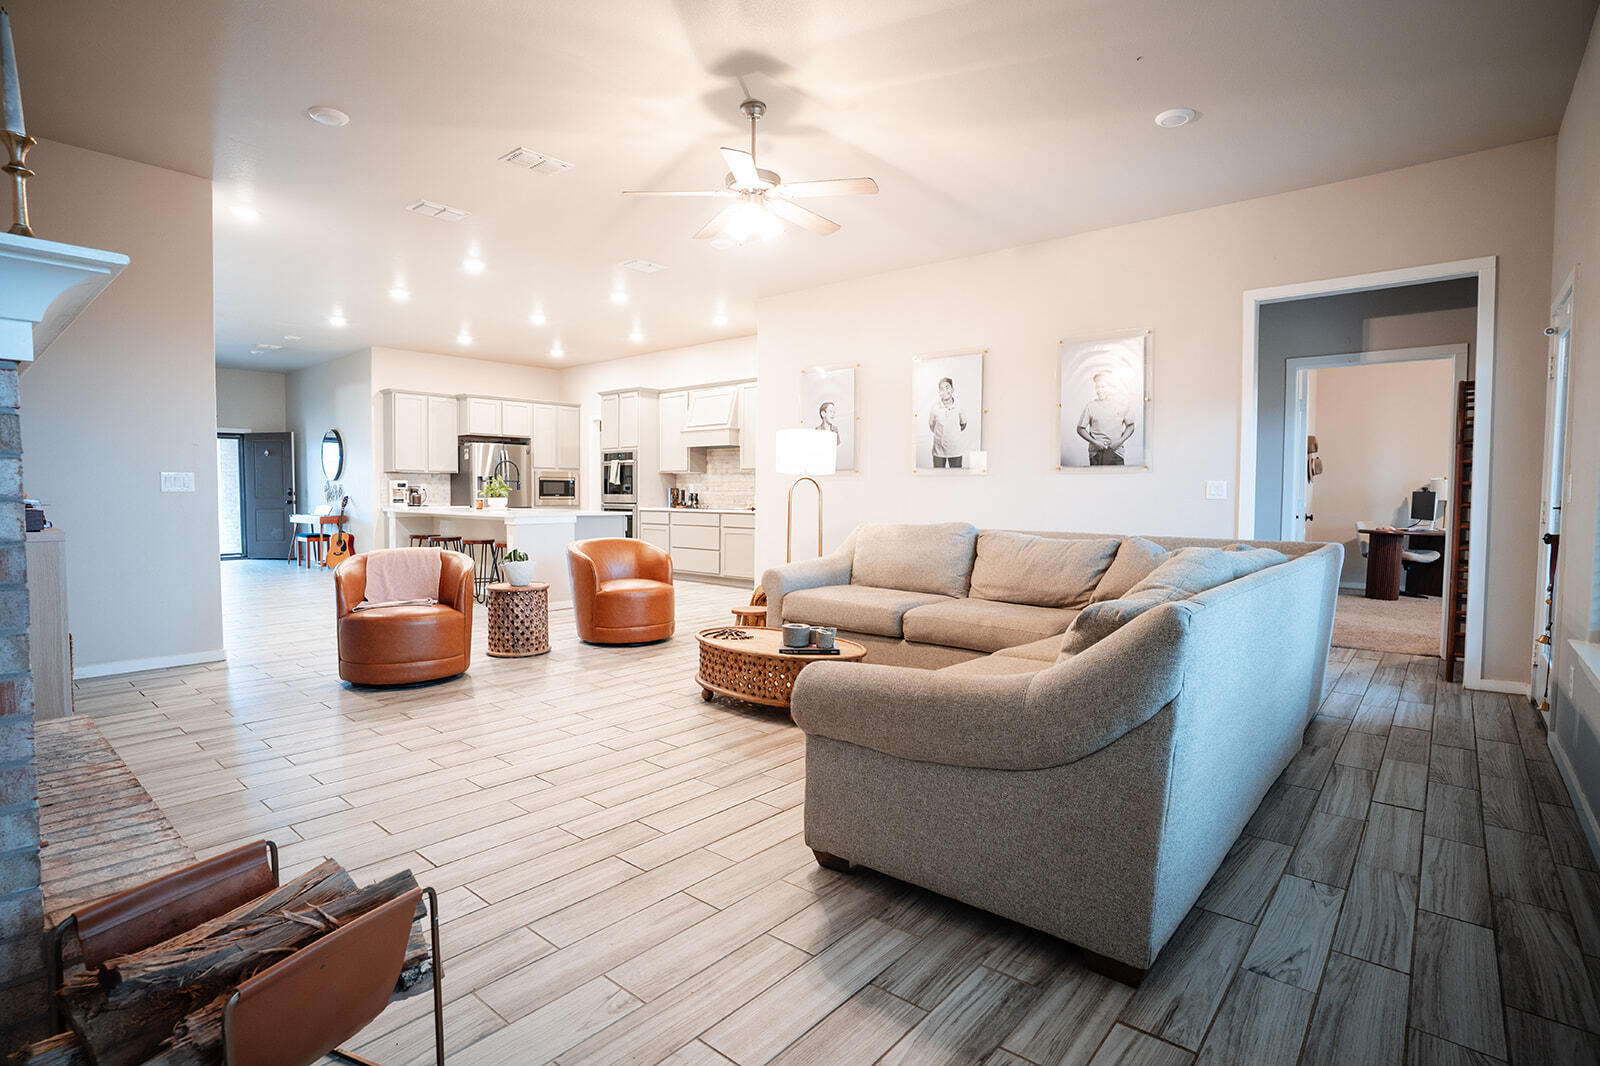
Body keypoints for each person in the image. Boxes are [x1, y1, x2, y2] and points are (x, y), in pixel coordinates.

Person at [1076, 370, 1135, 466]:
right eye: (1097, 387)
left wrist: (1119, 442)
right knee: (1096, 476)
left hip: (1116, 453)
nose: (1099, 390)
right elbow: (1080, 428)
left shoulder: (1123, 405)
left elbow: (1131, 426)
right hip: (1096, 454)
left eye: (1102, 386)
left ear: (1112, 387)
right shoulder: (1091, 406)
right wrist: (1095, 443)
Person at [928, 376, 968, 468]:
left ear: (952, 389)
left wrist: (953, 433)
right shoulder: (935, 408)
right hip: (939, 449)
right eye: (941, 389)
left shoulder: (959, 407)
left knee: (956, 474)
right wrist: (941, 434)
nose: (945, 391)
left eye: (947, 387)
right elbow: (931, 425)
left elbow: (963, 424)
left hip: (955, 449)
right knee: (938, 474)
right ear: (939, 392)